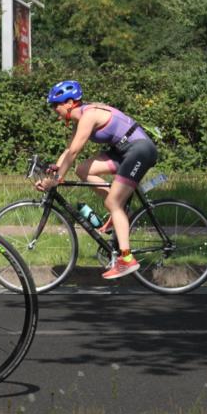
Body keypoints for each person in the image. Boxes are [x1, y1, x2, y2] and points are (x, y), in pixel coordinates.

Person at [35, 80, 158, 280]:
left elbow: (75, 151)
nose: (54, 110)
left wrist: (56, 180)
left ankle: (126, 259)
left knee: (113, 202)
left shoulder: (88, 116)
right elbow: (68, 150)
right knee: (82, 170)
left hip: (139, 150)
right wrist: (54, 175)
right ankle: (118, 210)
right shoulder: (80, 118)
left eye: (55, 105)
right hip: (122, 152)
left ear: (69, 103)